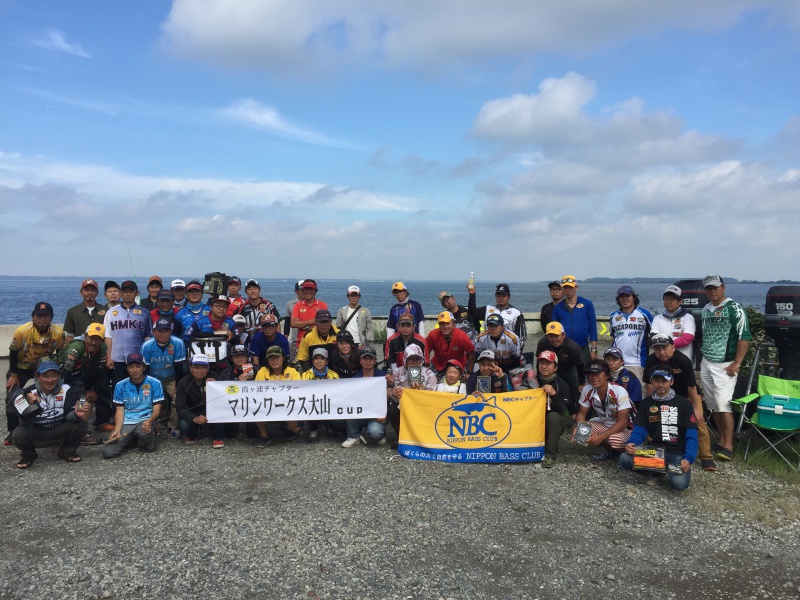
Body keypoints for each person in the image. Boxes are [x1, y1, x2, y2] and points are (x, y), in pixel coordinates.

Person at [644, 333, 716, 471]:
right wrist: (650, 404)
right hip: (660, 394)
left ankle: (706, 457)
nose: (662, 352)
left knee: (698, 421)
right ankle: (654, 451)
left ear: (673, 347)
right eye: (657, 349)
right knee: (652, 419)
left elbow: (692, 387)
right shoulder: (651, 361)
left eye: (665, 348)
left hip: (686, 395)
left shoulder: (683, 361)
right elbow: (649, 385)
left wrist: (696, 408)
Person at [619, 365, 697, 491]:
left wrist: (688, 458)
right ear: (651, 381)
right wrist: (632, 443)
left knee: (679, 484)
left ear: (672, 381)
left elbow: (692, 435)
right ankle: (658, 472)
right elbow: (640, 430)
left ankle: (665, 468)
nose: (660, 384)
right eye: (657, 380)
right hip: (655, 451)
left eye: (664, 381)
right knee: (625, 459)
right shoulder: (646, 404)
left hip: (677, 453)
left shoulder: (685, 405)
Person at [699, 274, 751, 462]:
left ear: (723, 287)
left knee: (724, 404)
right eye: (708, 288)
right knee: (713, 405)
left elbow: (744, 336)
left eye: (715, 287)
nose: (712, 291)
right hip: (707, 361)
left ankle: (728, 444)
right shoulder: (706, 309)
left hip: (725, 364)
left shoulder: (734, 309)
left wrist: (737, 362)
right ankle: (720, 440)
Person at [7, 361, 90, 468]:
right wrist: (31, 407)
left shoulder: (67, 390)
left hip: (59, 430)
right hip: (37, 432)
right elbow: (24, 423)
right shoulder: (28, 392)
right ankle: (28, 455)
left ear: (59, 376)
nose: (50, 380)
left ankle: (66, 451)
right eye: (45, 376)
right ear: (37, 376)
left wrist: (75, 414)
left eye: (53, 376)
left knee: (81, 424)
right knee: (18, 434)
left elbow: (69, 416)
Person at [5, 302, 66, 444]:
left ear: (51, 318)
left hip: (43, 369)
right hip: (20, 368)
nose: (42, 319)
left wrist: (56, 374)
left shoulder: (57, 333)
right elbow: (13, 352)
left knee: (50, 397)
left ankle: (48, 426)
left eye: (46, 316)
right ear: (33, 317)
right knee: (11, 402)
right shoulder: (22, 331)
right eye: (39, 316)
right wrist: (13, 375)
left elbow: (61, 353)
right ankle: (13, 432)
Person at [101, 352, 164, 459]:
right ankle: (132, 438)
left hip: (146, 420)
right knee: (107, 452)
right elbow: (119, 410)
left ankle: (151, 435)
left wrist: (150, 421)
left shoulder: (155, 383)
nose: (134, 370)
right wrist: (117, 430)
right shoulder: (120, 385)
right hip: (128, 421)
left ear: (144, 367)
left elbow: (157, 408)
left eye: (138, 366)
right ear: (127, 368)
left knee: (144, 435)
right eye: (131, 366)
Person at [60, 323, 114, 434]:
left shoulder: (103, 348)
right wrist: (81, 390)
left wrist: (88, 389)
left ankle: (80, 432)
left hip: (80, 378)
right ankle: (62, 434)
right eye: (91, 338)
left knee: (88, 398)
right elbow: (66, 374)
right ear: (85, 336)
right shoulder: (76, 348)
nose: (93, 343)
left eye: (98, 339)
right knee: (67, 402)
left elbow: (96, 372)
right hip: (63, 379)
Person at [574, 359, 632, 462]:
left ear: (607, 375)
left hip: (627, 429)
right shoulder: (587, 389)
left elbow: (623, 422)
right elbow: (581, 414)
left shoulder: (619, 391)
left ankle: (625, 456)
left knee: (614, 440)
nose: (594, 377)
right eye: (590, 374)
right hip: (606, 425)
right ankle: (610, 451)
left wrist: (600, 437)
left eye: (597, 374)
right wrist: (580, 432)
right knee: (582, 429)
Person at [175, 354, 237, 447]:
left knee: (227, 423)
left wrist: (217, 386)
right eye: (196, 367)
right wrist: (194, 418)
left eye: (203, 367)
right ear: (190, 368)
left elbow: (225, 399)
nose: (200, 371)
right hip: (193, 412)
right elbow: (180, 407)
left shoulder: (214, 376)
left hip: (211, 412)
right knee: (183, 424)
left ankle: (218, 437)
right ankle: (194, 434)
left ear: (208, 368)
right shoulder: (183, 382)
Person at [141, 318, 187, 437]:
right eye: (160, 331)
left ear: (171, 331)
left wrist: (177, 386)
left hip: (172, 377)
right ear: (154, 332)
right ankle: (153, 425)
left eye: (166, 330)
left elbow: (179, 367)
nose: (163, 334)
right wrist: (149, 386)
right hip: (153, 378)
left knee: (177, 398)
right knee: (148, 398)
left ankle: (172, 426)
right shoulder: (146, 346)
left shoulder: (178, 343)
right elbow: (144, 369)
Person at [103, 280, 152, 389]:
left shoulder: (144, 312)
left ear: (137, 293)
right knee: (119, 390)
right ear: (121, 293)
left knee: (139, 389)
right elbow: (108, 336)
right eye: (125, 291)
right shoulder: (111, 312)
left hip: (138, 360)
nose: (128, 294)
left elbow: (148, 336)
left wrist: (145, 358)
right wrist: (109, 357)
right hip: (117, 360)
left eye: (131, 291)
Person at [342, 346, 391, 447]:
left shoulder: (383, 377)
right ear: (360, 361)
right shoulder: (355, 379)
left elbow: (390, 396)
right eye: (365, 358)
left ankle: (381, 434)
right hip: (360, 413)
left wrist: (391, 384)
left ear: (375, 361)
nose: (368, 361)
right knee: (349, 405)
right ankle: (354, 436)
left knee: (375, 432)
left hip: (377, 414)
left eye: (370, 358)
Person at [387, 345, 437, 443]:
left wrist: (420, 391)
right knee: (393, 409)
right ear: (405, 360)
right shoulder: (397, 372)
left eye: (417, 359)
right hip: (404, 405)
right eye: (411, 359)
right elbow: (393, 395)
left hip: (423, 405)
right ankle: (401, 437)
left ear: (421, 360)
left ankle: (424, 437)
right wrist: (395, 394)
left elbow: (433, 397)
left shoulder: (429, 373)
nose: (414, 362)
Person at [535, 322, 585, 419]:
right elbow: (539, 361)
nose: (554, 339)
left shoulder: (573, 347)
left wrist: (582, 382)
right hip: (550, 367)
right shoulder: (543, 343)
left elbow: (580, 365)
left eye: (557, 336)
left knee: (573, 389)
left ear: (563, 335)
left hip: (568, 368)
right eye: (550, 336)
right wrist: (537, 379)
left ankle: (573, 414)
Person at [254, 345, 302, 441]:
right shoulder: (262, 371)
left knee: (297, 428)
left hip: (288, 406)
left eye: (277, 357)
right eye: (271, 357)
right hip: (268, 405)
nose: (274, 360)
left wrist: (292, 415)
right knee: (255, 406)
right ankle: (264, 435)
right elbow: (257, 393)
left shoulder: (292, 371)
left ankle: (286, 428)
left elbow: (298, 393)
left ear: (283, 358)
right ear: (267, 360)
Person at [219, 345, 261, 445]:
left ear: (247, 357)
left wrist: (250, 382)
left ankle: (252, 426)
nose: (240, 358)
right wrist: (238, 384)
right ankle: (233, 425)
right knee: (230, 434)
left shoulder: (257, 369)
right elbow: (222, 393)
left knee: (252, 434)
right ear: (232, 358)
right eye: (236, 356)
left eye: (242, 355)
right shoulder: (226, 373)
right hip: (233, 403)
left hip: (253, 402)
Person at [533, 350, 569, 468]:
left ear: (555, 367)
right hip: (533, 421)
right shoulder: (531, 381)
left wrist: (553, 394)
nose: (544, 366)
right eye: (541, 363)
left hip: (552, 424)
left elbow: (562, 410)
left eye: (548, 364)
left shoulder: (561, 384)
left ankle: (550, 455)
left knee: (553, 416)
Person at [609, 285, 652, 381]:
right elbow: (613, 337)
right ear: (618, 299)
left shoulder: (644, 314)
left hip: (637, 363)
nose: (625, 299)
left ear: (634, 297)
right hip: (617, 362)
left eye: (627, 296)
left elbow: (653, 334)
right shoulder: (613, 316)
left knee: (638, 392)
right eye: (622, 297)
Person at [552, 275, 598, 363]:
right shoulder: (558, 307)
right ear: (562, 289)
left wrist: (594, 349)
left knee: (584, 374)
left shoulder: (587, 304)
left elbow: (593, 327)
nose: (568, 290)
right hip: (564, 347)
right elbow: (554, 328)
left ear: (576, 287)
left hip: (583, 346)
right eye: (565, 287)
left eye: (570, 287)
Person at [468, 283, 526, 350]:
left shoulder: (516, 313)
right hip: (489, 348)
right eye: (498, 296)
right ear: (495, 297)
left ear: (509, 297)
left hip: (507, 349)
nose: (501, 298)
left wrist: (516, 352)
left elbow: (521, 338)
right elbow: (472, 313)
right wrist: (472, 295)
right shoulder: (488, 309)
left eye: (503, 296)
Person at [186, 294, 236, 371]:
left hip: (223, 364)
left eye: (224, 306)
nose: (221, 309)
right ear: (211, 307)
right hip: (202, 365)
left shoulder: (231, 323)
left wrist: (232, 336)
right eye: (218, 306)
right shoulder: (199, 323)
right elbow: (188, 340)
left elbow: (237, 342)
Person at [301, 348, 342, 440]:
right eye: (316, 358)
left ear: (327, 361)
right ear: (312, 361)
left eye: (322, 359)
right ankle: (313, 428)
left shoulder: (334, 375)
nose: (319, 361)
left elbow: (338, 393)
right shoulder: (306, 375)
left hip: (329, 403)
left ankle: (329, 426)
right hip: (313, 402)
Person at [651, 285, 696, 362]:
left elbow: (686, 339)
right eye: (666, 299)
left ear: (680, 301)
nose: (668, 302)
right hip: (662, 359)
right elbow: (653, 338)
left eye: (672, 299)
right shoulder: (657, 318)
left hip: (682, 360)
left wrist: (663, 344)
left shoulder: (688, 318)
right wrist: (676, 341)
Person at [426, 311, 475, 378]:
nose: (445, 327)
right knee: (427, 380)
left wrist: (469, 372)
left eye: (448, 323)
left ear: (453, 324)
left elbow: (471, 353)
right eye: (442, 324)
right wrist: (426, 368)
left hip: (459, 365)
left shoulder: (462, 336)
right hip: (438, 365)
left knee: (462, 384)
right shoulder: (432, 335)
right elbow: (426, 352)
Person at [63, 279, 108, 343]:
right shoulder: (73, 311)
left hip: (101, 350)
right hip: (80, 349)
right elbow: (69, 335)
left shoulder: (106, 311)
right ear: (81, 293)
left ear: (97, 293)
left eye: (92, 290)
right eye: (86, 290)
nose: (89, 293)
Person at [290, 279, 328, 349]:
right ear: (302, 291)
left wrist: (303, 325)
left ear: (315, 291)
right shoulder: (297, 305)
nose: (308, 292)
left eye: (310, 289)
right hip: (301, 343)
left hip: (319, 343)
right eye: (305, 289)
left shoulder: (322, 305)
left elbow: (325, 324)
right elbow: (293, 324)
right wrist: (312, 321)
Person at [284, 280, 304, 360]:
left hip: (310, 339)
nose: (304, 291)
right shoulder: (290, 304)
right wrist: (285, 339)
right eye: (301, 289)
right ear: (296, 291)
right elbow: (287, 322)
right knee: (293, 363)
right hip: (295, 340)